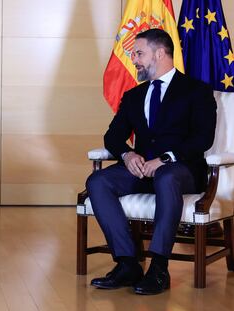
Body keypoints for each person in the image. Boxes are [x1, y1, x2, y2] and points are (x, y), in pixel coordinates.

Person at [86, 29, 216, 295]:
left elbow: (203, 138)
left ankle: (158, 268)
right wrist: (127, 154)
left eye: (139, 53)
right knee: (97, 181)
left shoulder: (196, 91)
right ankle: (126, 263)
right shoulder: (134, 95)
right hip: (141, 170)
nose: (134, 59)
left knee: (166, 176)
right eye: (134, 54)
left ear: (160, 53)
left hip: (182, 171)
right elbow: (112, 136)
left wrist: (166, 159)